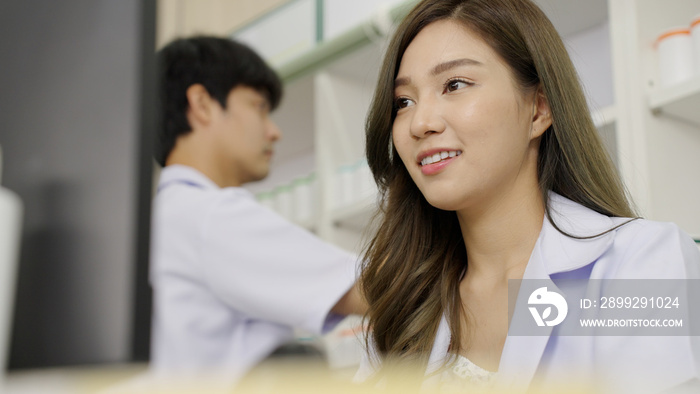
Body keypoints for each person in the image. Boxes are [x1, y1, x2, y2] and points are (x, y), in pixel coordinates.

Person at [355, 0, 700, 393]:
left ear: (538, 109)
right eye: (404, 102)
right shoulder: (403, 299)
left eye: (454, 85)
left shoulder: (638, 264)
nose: (420, 123)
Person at [149, 36, 366, 386]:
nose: (273, 131)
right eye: (259, 107)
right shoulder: (209, 214)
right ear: (202, 104)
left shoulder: (163, 216)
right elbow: (373, 290)